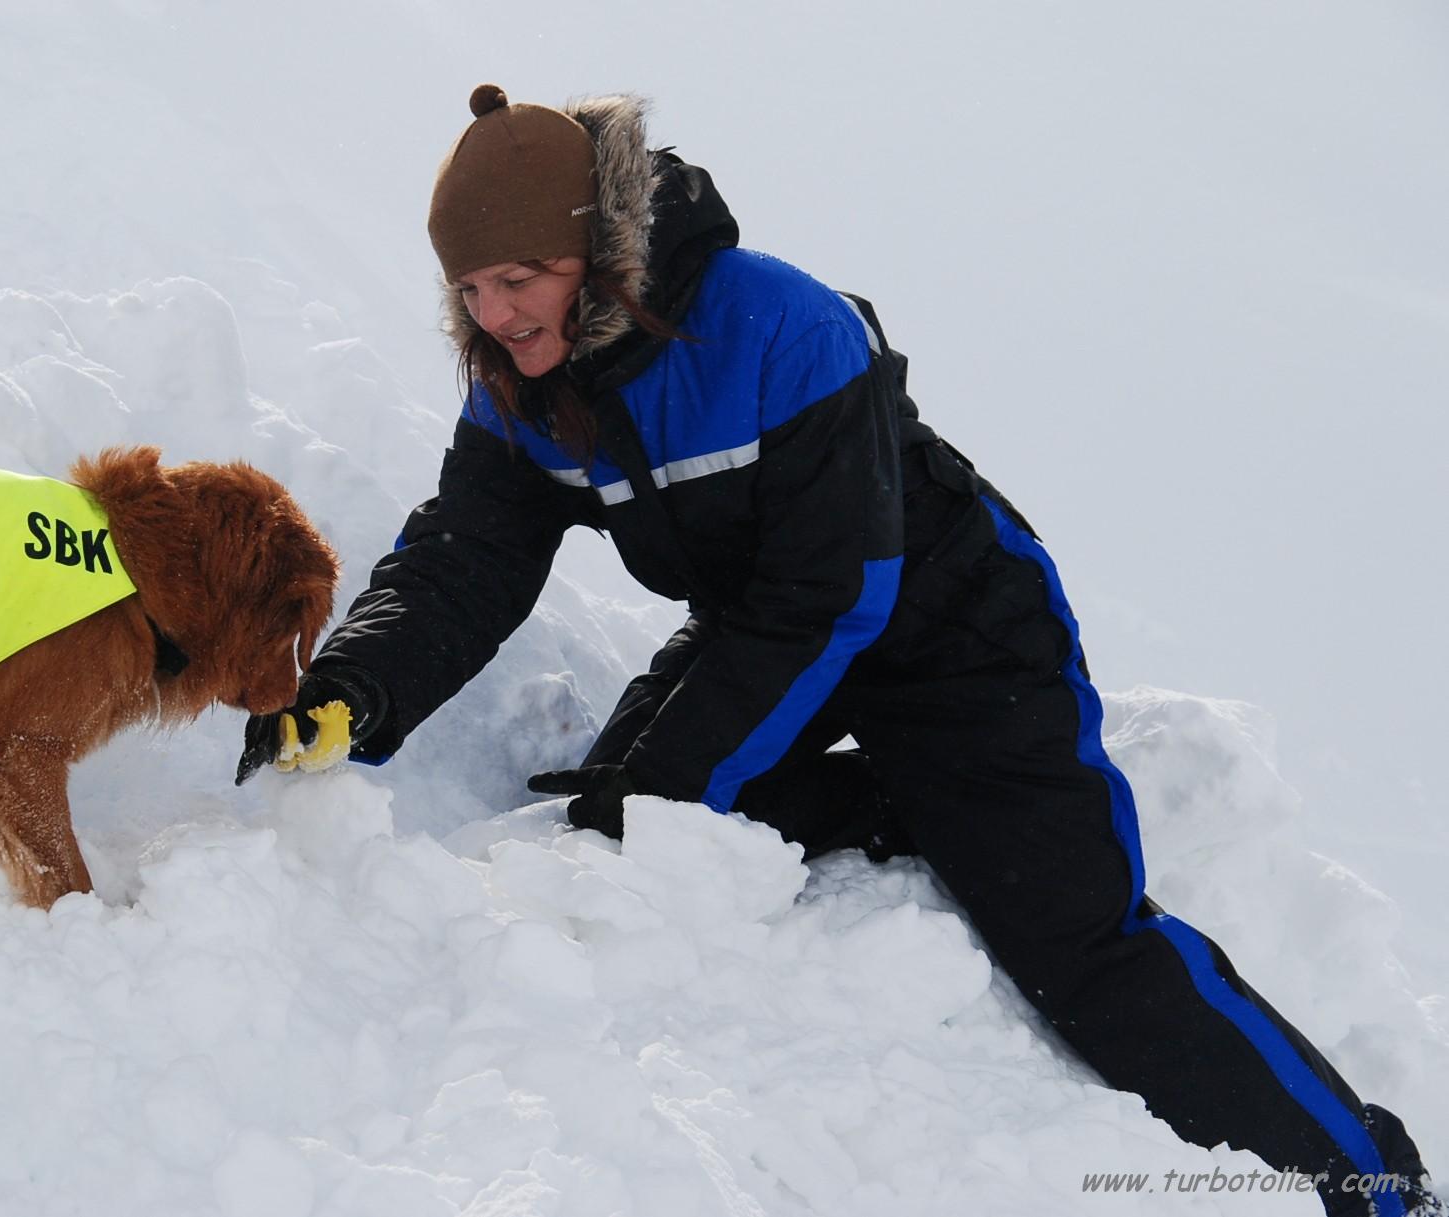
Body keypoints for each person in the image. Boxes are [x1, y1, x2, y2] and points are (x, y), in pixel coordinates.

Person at [235, 84, 1438, 1215]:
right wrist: (355, 688)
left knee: (1080, 945)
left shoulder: (778, 325)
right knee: (615, 810)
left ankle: (1377, 1179)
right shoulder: (518, 383)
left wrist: (678, 791)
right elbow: (465, 553)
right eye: (472, 290)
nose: (495, 315)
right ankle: (906, 805)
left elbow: (829, 601)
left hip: (956, 636)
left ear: (595, 255)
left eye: (521, 277)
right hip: (767, 621)